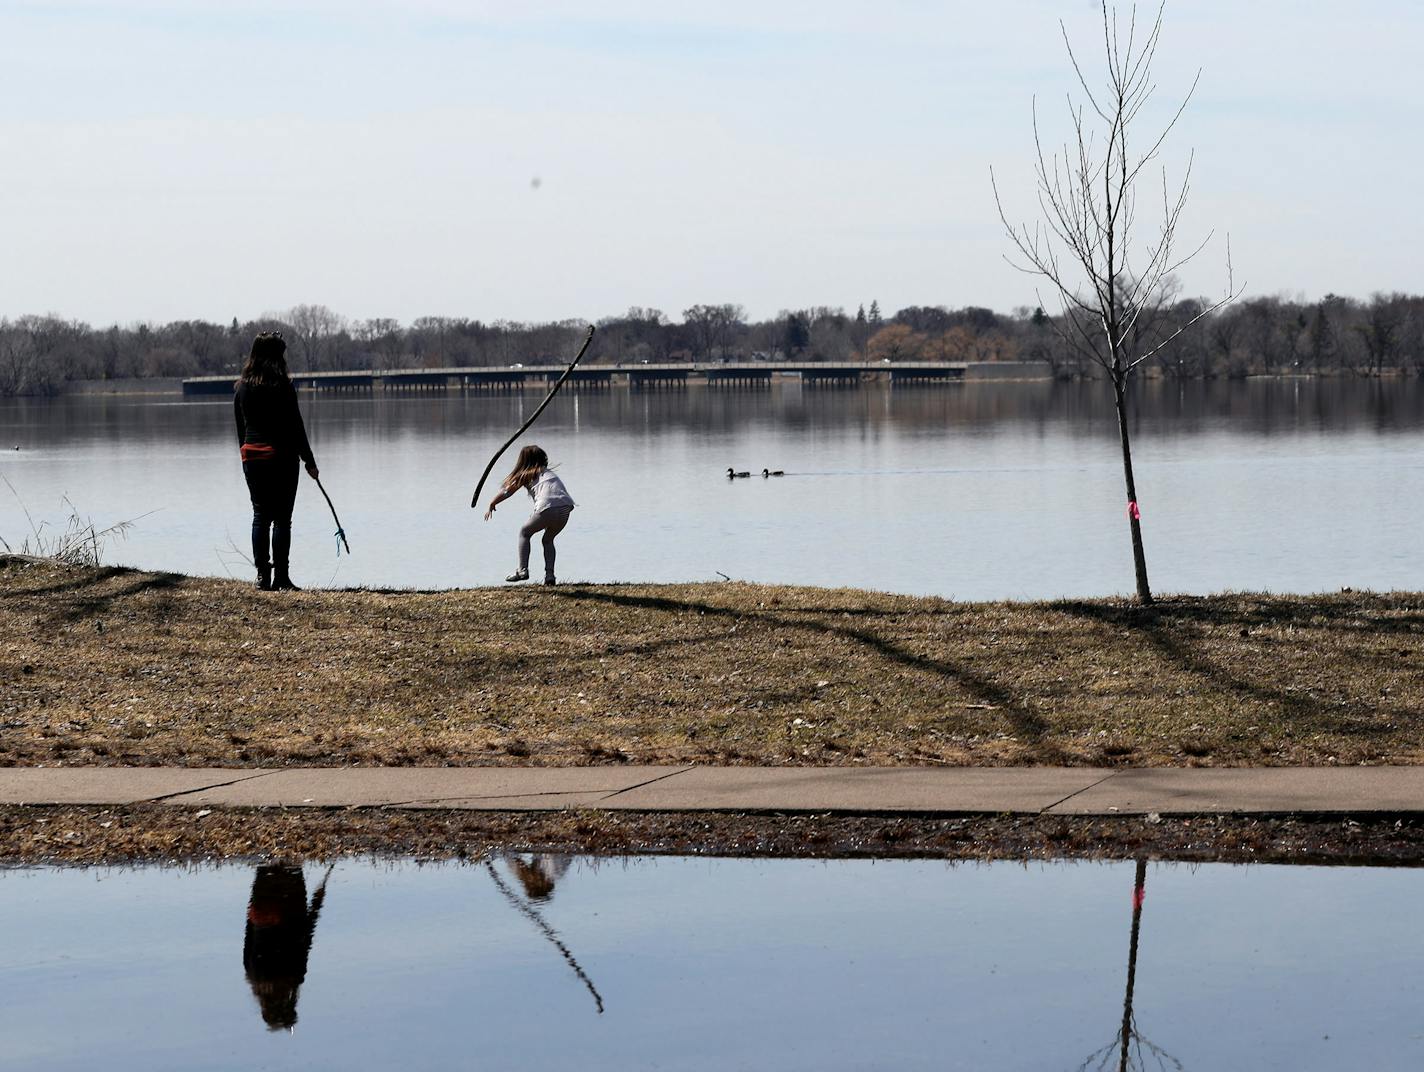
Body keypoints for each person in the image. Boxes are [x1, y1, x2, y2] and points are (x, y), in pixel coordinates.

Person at [234, 332, 318, 590]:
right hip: (281, 457)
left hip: (253, 456)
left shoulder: (243, 387)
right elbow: (296, 426)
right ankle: (281, 577)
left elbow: (241, 428)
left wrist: (245, 455)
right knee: (282, 518)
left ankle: (262, 577)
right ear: (276, 356)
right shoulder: (282, 386)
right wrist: (309, 461)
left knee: (260, 515)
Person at [483, 444, 574, 585]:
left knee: (524, 532)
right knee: (548, 540)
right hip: (565, 508)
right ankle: (550, 576)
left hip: (547, 507)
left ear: (523, 461)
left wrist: (493, 502)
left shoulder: (527, 474)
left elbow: (508, 491)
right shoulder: (548, 473)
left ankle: (522, 570)